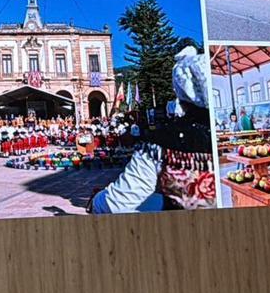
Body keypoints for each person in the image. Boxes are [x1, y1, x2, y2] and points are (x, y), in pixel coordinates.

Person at [91, 47, 215, 213]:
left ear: (180, 92)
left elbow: (118, 204)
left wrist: (97, 201)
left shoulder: (159, 143)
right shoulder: (225, 136)